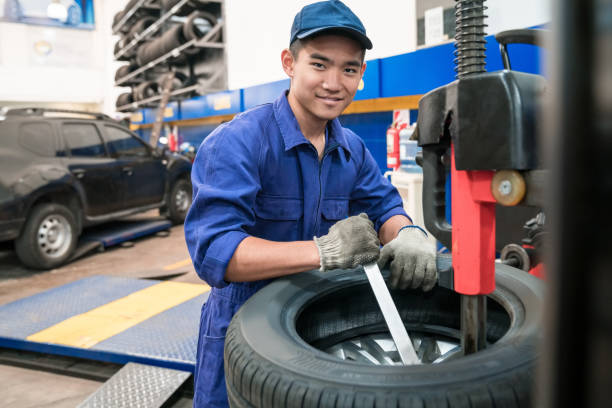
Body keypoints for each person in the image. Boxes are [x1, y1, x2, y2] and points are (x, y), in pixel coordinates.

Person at [184, 1, 437, 406]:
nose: (334, 83)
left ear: (362, 75)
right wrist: (325, 251)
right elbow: (214, 253)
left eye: (349, 69)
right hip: (242, 330)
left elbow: (384, 204)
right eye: (319, 64)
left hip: (316, 324)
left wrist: (406, 232)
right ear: (289, 63)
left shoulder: (350, 148)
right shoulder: (239, 142)